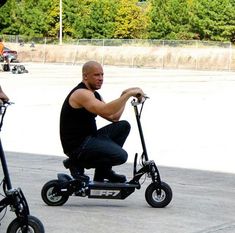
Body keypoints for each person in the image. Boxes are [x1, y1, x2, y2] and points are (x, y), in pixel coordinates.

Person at [60, 60, 144, 183]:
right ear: (85, 76)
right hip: (77, 145)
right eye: (96, 75)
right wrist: (128, 95)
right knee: (121, 156)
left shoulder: (95, 95)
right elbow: (106, 110)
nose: (100, 78)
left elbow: (114, 117)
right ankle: (75, 162)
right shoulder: (81, 94)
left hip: (90, 138)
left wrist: (124, 95)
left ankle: (103, 171)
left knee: (123, 126)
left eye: (102, 75)